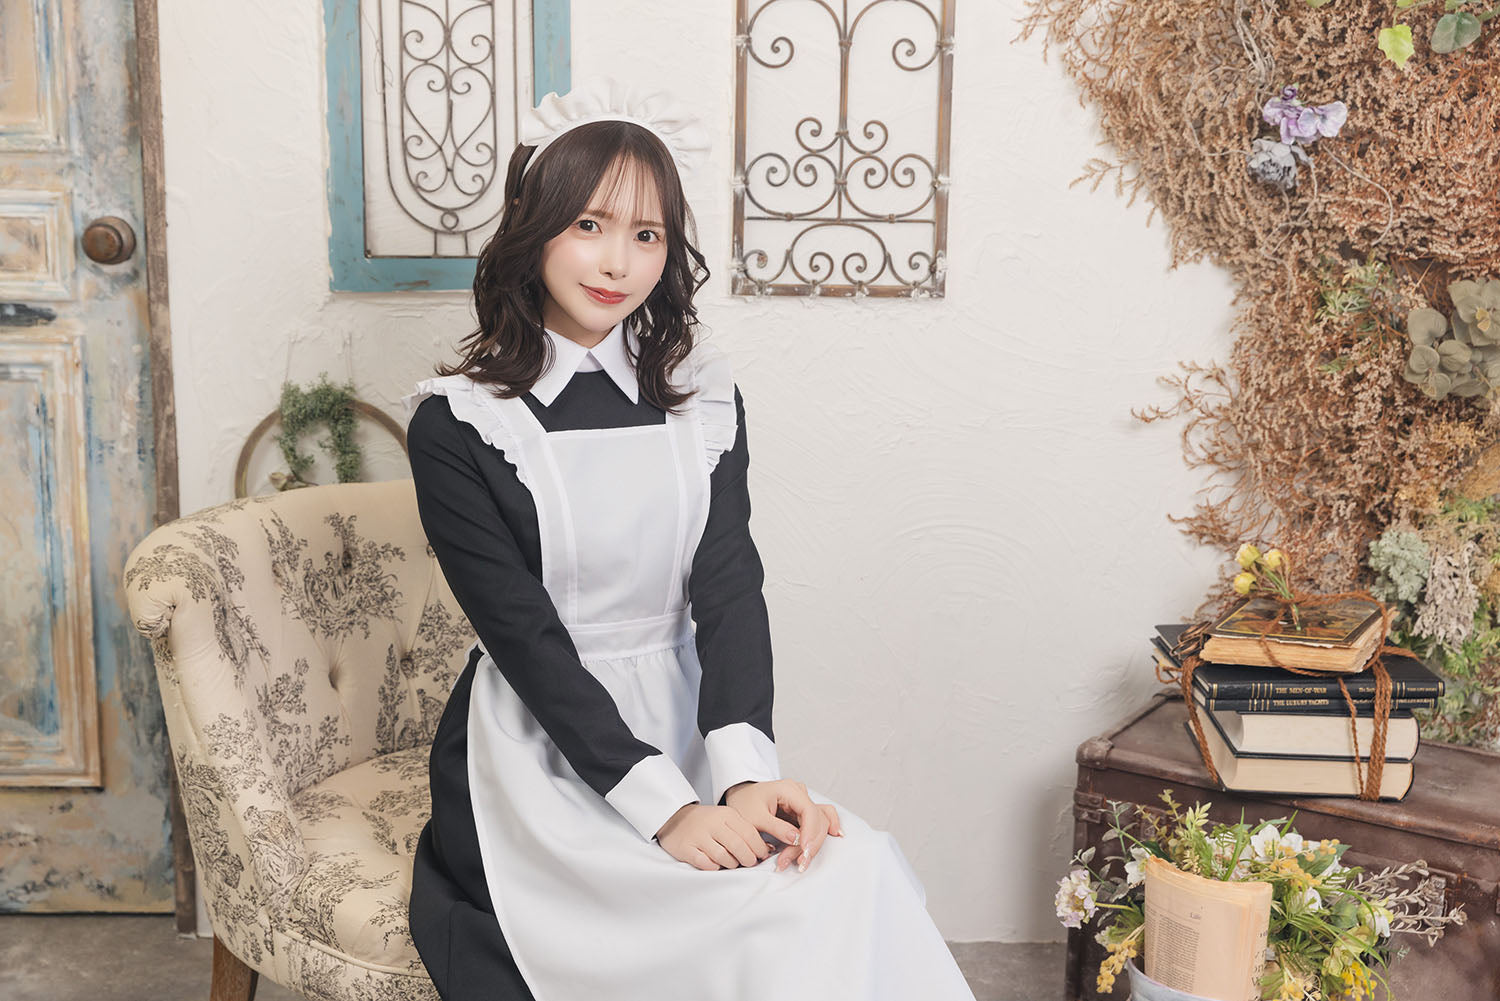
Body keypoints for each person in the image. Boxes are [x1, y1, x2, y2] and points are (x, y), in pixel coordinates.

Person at [402, 79, 977, 1001]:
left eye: (648, 234)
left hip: (688, 724)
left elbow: (729, 588)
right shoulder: (459, 423)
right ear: (534, 229)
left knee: (849, 869)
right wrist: (666, 808)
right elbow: (524, 639)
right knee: (736, 913)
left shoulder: (700, 399)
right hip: (543, 749)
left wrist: (744, 775)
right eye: (589, 225)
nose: (617, 262)